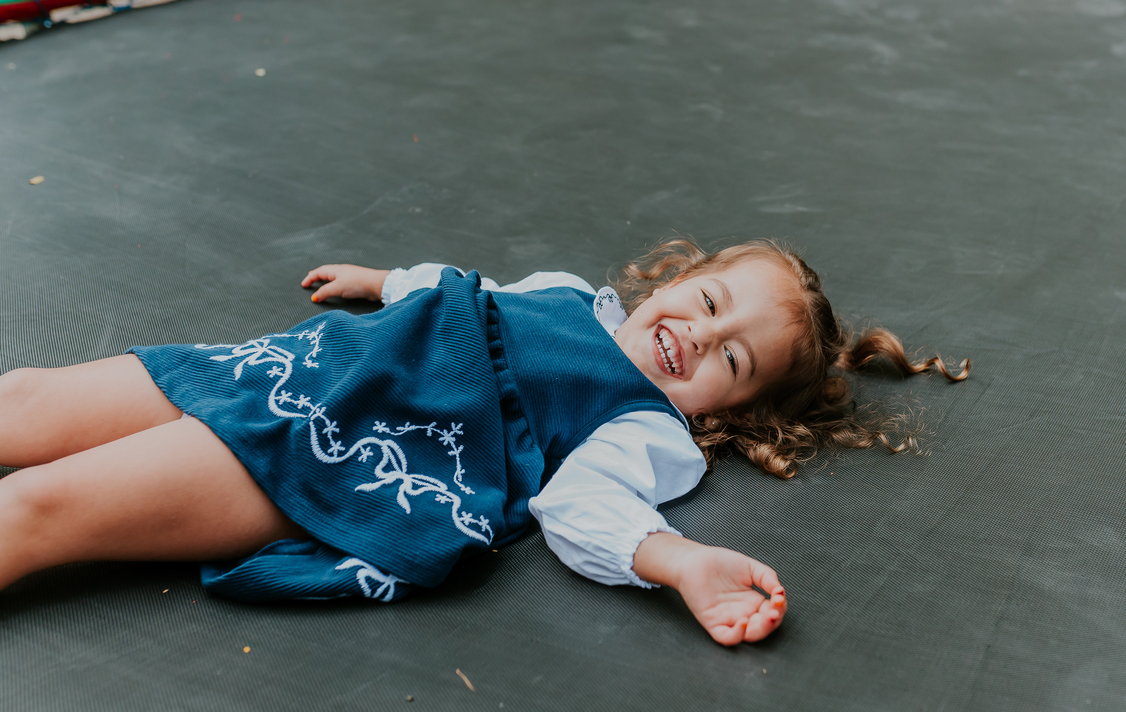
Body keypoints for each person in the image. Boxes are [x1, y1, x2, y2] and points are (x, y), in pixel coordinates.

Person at [0, 238, 965, 646]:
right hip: (301, 363)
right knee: (27, 401)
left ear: (729, 412)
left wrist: (677, 563)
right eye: (710, 302)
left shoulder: (646, 426)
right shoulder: (565, 294)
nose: (703, 335)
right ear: (678, 277)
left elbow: (584, 508)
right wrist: (383, 280)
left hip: (338, 450)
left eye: (734, 360)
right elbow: (462, 291)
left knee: (40, 504)